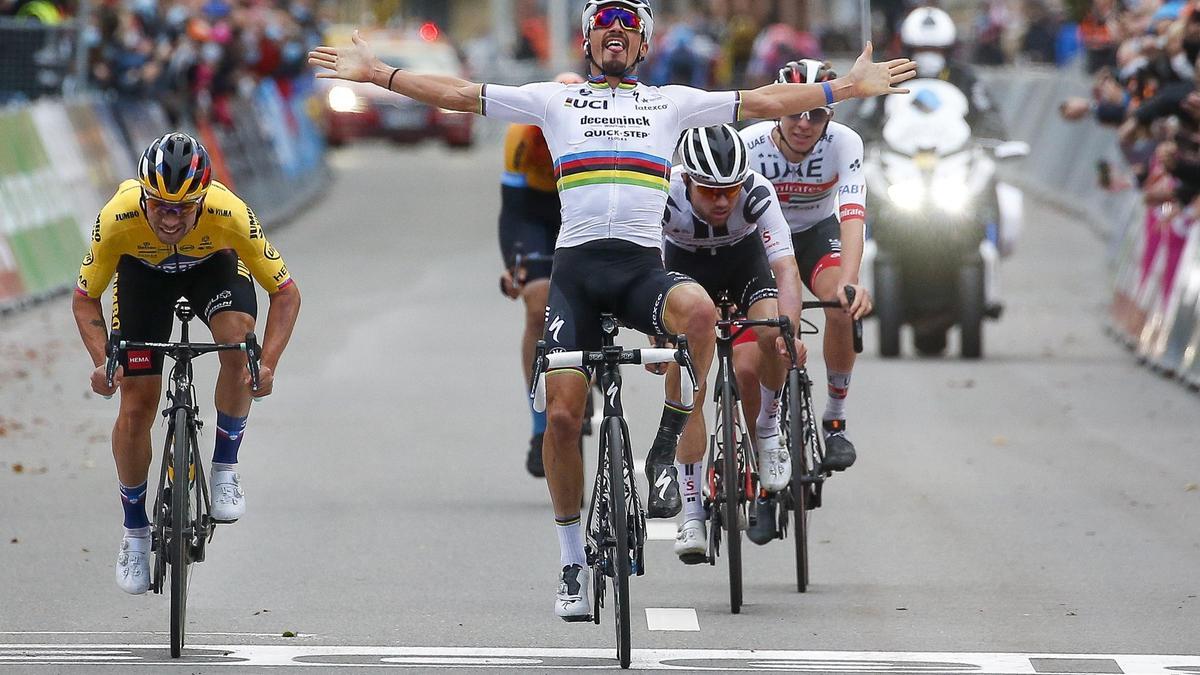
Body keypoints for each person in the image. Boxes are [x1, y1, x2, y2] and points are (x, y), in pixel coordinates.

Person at [308, 0, 914, 621]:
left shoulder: (671, 103)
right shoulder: (555, 100)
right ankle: (572, 559)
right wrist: (377, 72)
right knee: (566, 420)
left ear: (644, 43)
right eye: (605, 28)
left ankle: (664, 450)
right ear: (589, 42)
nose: (616, 35)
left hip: (640, 273)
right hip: (576, 276)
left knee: (701, 314)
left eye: (629, 28)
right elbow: (461, 94)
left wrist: (843, 87)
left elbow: (761, 104)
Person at [72, 132, 302, 595]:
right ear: (143, 195)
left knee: (239, 345)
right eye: (159, 206)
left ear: (202, 199)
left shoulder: (229, 212)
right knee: (137, 405)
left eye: (183, 207)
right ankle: (135, 532)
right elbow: (84, 300)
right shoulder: (117, 218)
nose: (171, 219)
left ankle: (224, 468)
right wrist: (104, 363)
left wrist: (268, 364)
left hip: (211, 267)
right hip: (142, 278)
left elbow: (286, 293)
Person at [644, 123, 807, 564]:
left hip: (744, 264)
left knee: (772, 333)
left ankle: (768, 431)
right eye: (711, 191)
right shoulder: (664, 195)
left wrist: (789, 327)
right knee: (686, 381)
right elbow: (650, 271)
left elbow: (787, 269)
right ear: (688, 181)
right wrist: (655, 329)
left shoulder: (756, 192)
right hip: (684, 270)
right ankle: (692, 513)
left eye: (730, 191)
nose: (722, 201)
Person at [737, 60, 873, 473]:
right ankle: (763, 440)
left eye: (816, 114)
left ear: (829, 115)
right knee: (751, 360)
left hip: (815, 232)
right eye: (796, 111)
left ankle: (835, 418)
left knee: (840, 302)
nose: (804, 123)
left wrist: (849, 283)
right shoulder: (749, 143)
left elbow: (852, 214)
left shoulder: (844, 142)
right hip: (758, 240)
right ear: (779, 107)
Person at [498, 71, 586, 478]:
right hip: (534, 212)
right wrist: (513, 265)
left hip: (581, 208)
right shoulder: (521, 134)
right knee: (537, 307)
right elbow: (512, 209)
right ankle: (538, 429)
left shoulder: (600, 126)